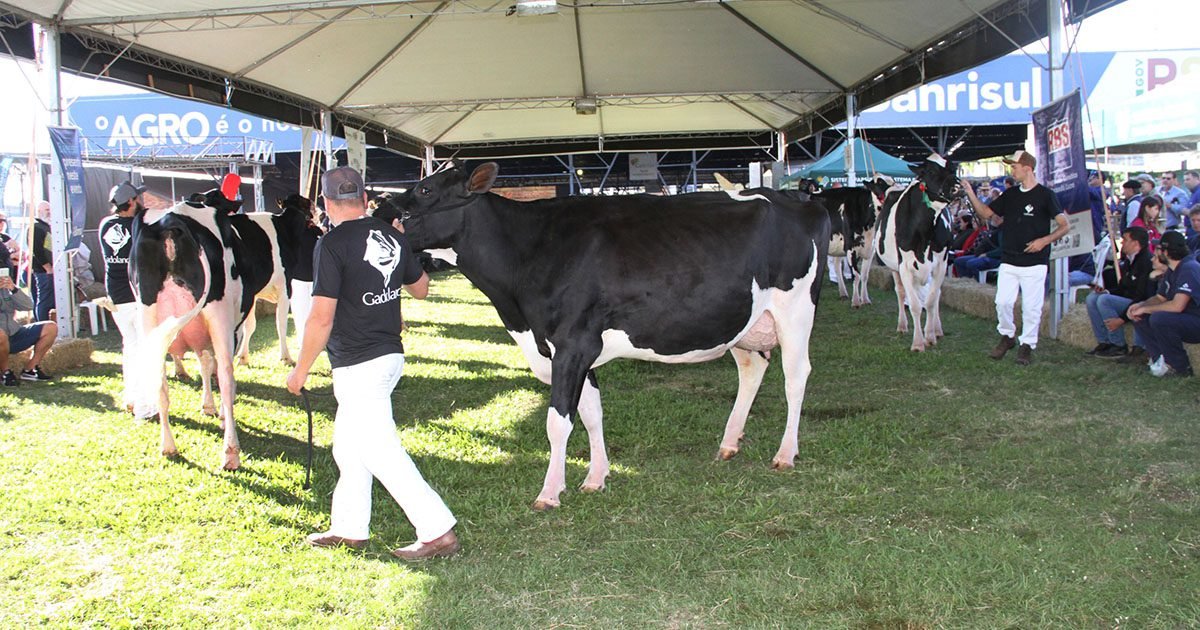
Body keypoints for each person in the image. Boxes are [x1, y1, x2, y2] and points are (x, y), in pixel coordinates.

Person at [286, 166, 459, 560]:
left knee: (380, 450)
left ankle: (438, 531)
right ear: (364, 200)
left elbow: (321, 318)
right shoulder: (392, 237)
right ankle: (349, 528)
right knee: (349, 449)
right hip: (386, 355)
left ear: (327, 205)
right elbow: (421, 289)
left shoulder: (330, 244)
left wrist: (300, 370)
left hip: (358, 363)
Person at [961, 150, 1070, 365]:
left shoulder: (1046, 195)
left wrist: (1044, 241)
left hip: (1035, 262)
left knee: (1031, 307)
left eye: (1014, 167)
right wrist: (970, 193)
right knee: (1002, 301)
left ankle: (1027, 344)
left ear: (1027, 168)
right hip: (1009, 259)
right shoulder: (1010, 195)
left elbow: (1064, 225)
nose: (1012, 170)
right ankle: (1008, 336)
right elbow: (986, 213)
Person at [99, 181, 151, 414]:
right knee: (144, 349)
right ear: (131, 202)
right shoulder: (139, 225)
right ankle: (144, 406)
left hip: (116, 294)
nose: (141, 201)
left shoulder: (105, 224)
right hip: (135, 292)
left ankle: (131, 397)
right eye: (138, 198)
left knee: (130, 347)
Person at [1128, 231, 1200, 377]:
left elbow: (1177, 306)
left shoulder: (1189, 268)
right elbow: (1160, 298)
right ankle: (1160, 362)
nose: (1154, 253)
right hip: (1184, 319)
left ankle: (1180, 367)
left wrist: (1146, 309)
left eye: (1158, 249)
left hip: (1195, 320)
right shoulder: (1172, 270)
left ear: (1166, 252)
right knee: (1141, 316)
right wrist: (1140, 306)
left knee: (1160, 318)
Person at [1084, 226, 1154, 359]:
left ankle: (1118, 344)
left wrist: (1121, 320)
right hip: (1128, 300)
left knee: (1104, 300)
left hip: (1139, 304)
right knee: (1093, 298)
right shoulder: (1129, 260)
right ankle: (1104, 341)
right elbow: (1123, 287)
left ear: (1135, 243)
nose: (1122, 243)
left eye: (1125, 240)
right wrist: (1107, 290)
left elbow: (1141, 296)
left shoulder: (1146, 262)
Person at [0, 270, 56, 385]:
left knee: (51, 327)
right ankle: (6, 372)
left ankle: (30, 369)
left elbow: (28, 306)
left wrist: (13, 288)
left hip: (13, 333)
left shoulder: (6, 289)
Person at [31, 200, 54, 321]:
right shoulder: (36, 227)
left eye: (50, 210)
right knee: (44, 299)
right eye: (47, 210)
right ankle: (42, 325)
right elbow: (37, 250)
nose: (50, 212)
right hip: (43, 271)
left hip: (50, 269)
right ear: (39, 212)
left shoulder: (46, 226)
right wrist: (48, 268)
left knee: (50, 299)